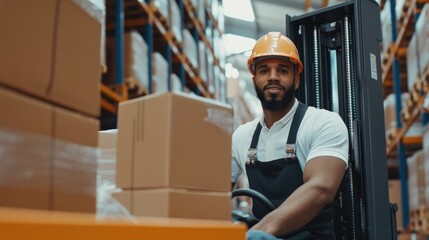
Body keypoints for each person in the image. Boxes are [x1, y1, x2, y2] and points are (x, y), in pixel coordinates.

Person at [231, 32, 349, 240]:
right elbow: (211, 194)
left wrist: (257, 232)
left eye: (282, 70)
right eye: (264, 70)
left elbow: (321, 188)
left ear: (296, 80)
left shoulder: (323, 123)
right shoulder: (242, 136)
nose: (273, 76)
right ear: (254, 80)